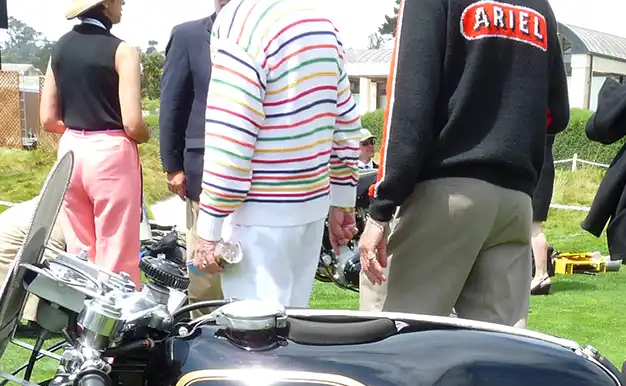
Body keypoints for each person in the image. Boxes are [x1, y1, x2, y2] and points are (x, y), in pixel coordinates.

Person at [358, 0, 569, 325]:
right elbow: (557, 114)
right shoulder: (540, 7)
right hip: (515, 202)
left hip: (446, 195)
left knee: (393, 335)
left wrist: (380, 210)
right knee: (495, 348)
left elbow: (409, 105)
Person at [189, 0, 360, 309]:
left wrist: (209, 228)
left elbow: (232, 133)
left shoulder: (242, 21)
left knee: (256, 332)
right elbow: (345, 120)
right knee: (293, 326)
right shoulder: (319, 21)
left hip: (258, 216)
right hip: (311, 208)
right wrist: (343, 199)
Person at [43, 1, 151, 286]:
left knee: (80, 250)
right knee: (117, 252)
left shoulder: (59, 49)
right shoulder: (123, 51)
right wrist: (146, 134)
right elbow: (132, 123)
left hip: (70, 149)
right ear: (106, 4)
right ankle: (116, 313)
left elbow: (47, 119)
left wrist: (82, 126)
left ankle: (80, 311)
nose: (123, 3)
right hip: (111, 150)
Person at [158, 0, 227, 303]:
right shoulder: (188, 36)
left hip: (260, 176)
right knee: (205, 269)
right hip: (204, 172)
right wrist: (173, 166)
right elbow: (172, 102)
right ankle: (204, 324)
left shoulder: (266, 34)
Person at [0, 197, 69, 315]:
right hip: (0, 261)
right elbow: (52, 260)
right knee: (3, 301)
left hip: (2, 256)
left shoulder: (50, 205)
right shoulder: (54, 217)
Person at [531, 115, 556, 296]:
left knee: (534, 227)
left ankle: (541, 275)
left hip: (535, 166)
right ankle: (540, 274)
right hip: (546, 165)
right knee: (535, 227)